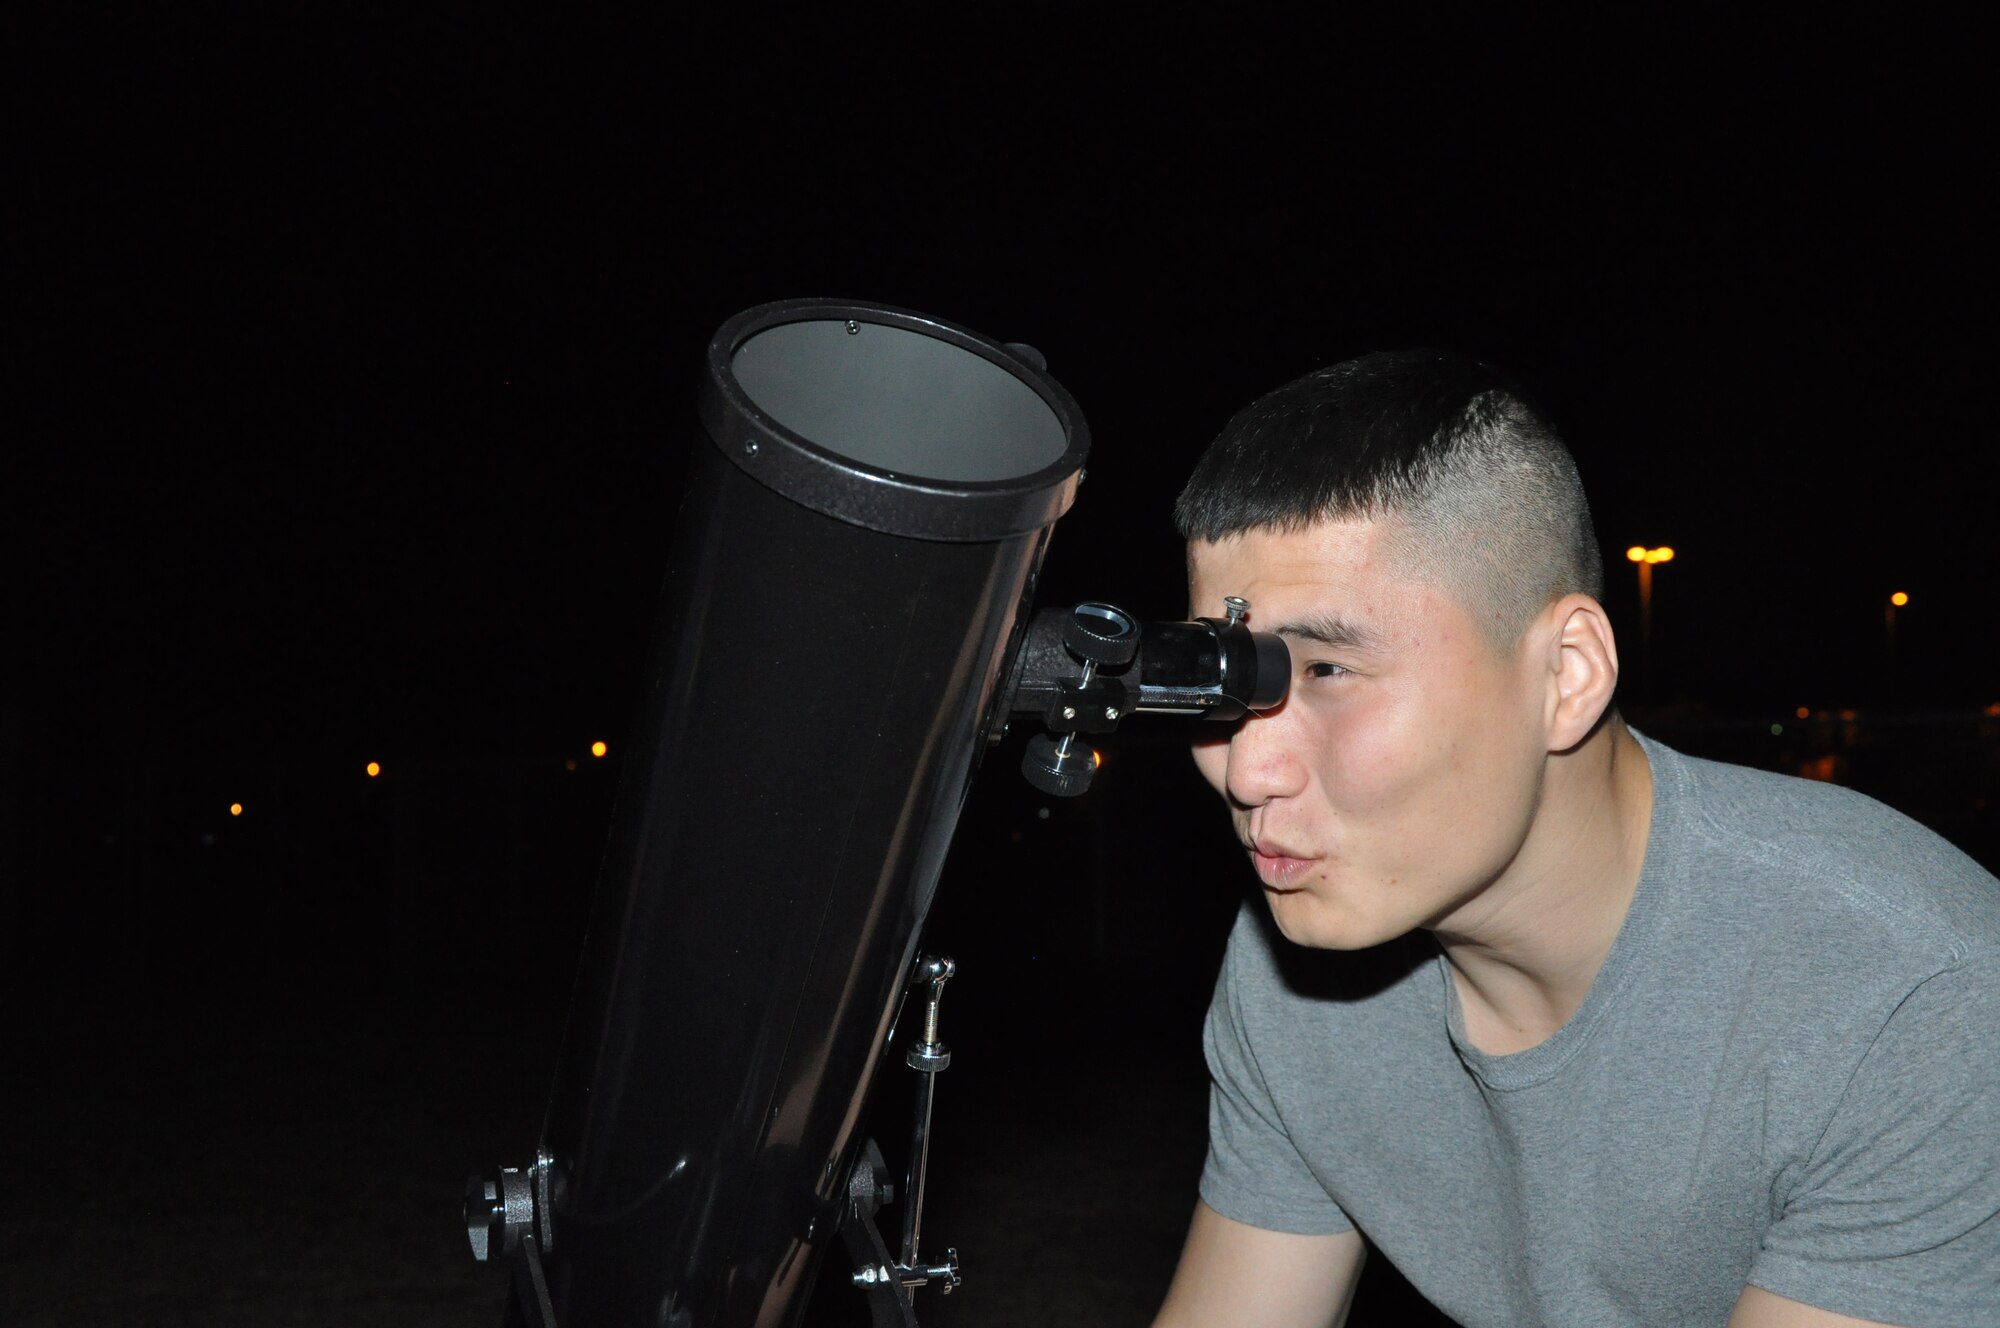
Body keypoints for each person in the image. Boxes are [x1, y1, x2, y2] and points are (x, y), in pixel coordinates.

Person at [1148, 349, 2000, 1328]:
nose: (1244, 770)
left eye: (1329, 670)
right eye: (1227, 681)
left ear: (1565, 673)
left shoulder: (1914, 1005)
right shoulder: (1293, 964)